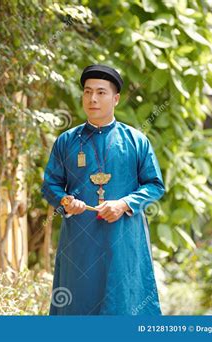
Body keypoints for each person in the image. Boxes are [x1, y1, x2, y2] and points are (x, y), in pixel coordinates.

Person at [42, 64, 165, 315]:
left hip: (124, 238)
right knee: (77, 305)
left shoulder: (135, 140)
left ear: (116, 98)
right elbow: (50, 184)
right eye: (87, 92)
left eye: (101, 92)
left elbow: (154, 184)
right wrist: (65, 201)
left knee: (124, 304)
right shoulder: (67, 141)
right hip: (80, 239)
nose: (93, 99)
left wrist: (124, 204)